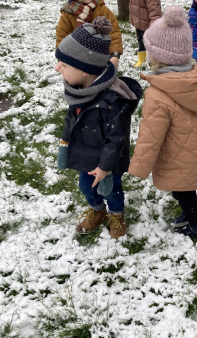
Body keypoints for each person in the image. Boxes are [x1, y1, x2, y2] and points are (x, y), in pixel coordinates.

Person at [128, 6, 197, 239]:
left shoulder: (158, 94)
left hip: (176, 156)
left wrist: (139, 167)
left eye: (149, 50)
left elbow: (150, 136)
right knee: (187, 188)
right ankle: (193, 212)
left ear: (159, 56)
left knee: (182, 191)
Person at [55, 17, 142, 239]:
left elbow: (117, 139)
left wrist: (105, 167)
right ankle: (97, 210)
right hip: (86, 154)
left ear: (85, 69)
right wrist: (65, 144)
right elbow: (70, 119)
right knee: (86, 187)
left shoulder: (112, 101)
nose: (57, 68)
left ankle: (116, 214)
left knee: (111, 190)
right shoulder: (78, 91)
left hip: (107, 162)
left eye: (64, 65)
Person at [55, 0, 123, 68]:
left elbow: (114, 34)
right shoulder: (68, 12)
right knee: (76, 77)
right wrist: (61, 58)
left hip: (99, 55)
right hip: (76, 57)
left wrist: (115, 55)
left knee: (102, 76)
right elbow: (62, 36)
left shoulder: (102, 10)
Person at [129, 0, 162, 67]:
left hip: (148, 24)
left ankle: (155, 62)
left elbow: (154, 10)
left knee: (152, 44)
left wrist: (154, 25)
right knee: (140, 41)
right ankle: (142, 59)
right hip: (138, 21)